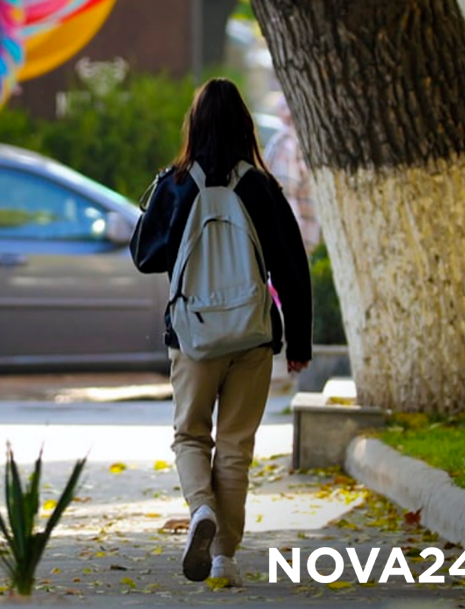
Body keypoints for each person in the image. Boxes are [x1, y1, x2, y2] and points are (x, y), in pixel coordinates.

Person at [129, 78, 311, 587]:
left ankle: (201, 511)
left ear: (195, 125)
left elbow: (144, 256)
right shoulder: (261, 186)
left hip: (193, 337)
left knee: (190, 434)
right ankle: (224, 559)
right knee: (235, 447)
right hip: (252, 337)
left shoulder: (177, 183)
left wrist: (160, 193)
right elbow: (292, 269)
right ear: (246, 127)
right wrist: (299, 343)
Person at [263, 95, 321, 255]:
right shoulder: (287, 144)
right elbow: (285, 199)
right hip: (293, 255)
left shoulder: (301, 142)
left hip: (300, 252)